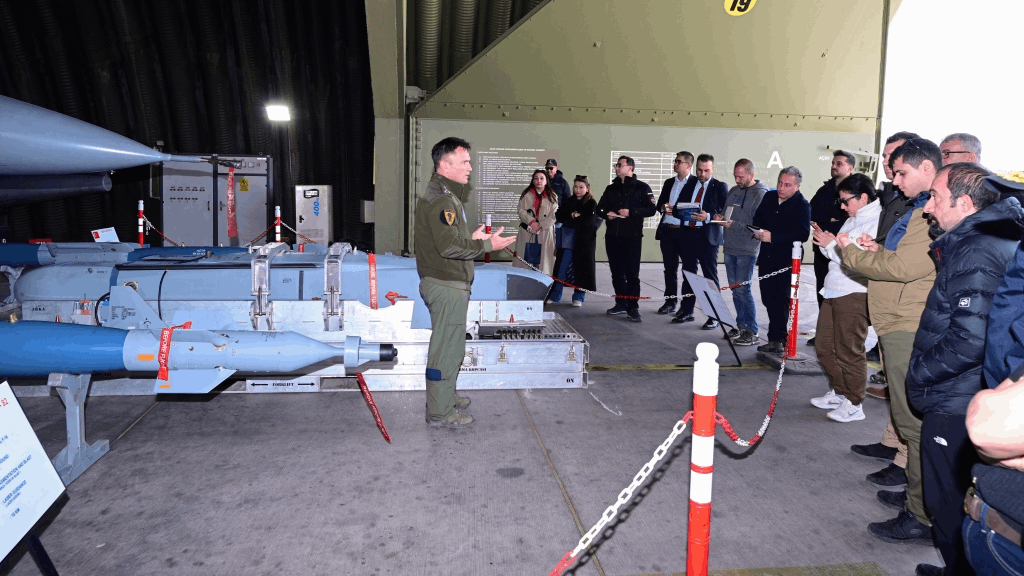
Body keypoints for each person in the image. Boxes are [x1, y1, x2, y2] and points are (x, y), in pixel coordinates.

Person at [904, 163, 1024, 575]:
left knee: (949, 505)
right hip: (962, 392)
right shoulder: (980, 241)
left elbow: (970, 339)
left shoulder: (977, 249)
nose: (927, 207)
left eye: (935, 197)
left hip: (955, 398)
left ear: (966, 204)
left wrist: (918, 372)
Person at [840, 137, 941, 544]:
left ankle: (920, 514)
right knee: (906, 420)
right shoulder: (916, 209)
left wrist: (851, 253)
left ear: (926, 168)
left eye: (900, 171)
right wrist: (876, 248)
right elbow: (898, 256)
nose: (894, 180)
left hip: (906, 321)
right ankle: (917, 501)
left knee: (913, 425)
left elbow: (903, 267)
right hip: (895, 319)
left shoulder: (929, 212)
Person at [415, 137, 515, 428]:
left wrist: (472, 239)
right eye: (465, 162)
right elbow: (448, 247)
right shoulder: (443, 199)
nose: (470, 167)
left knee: (452, 347)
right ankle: (440, 412)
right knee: (446, 350)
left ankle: (445, 396)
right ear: (445, 164)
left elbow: (446, 241)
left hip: (446, 281)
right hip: (446, 284)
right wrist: (487, 246)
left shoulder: (443, 194)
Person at [808, 173, 881, 422]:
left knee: (849, 350)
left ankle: (854, 403)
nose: (842, 206)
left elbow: (858, 261)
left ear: (863, 198)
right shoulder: (854, 217)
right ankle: (840, 392)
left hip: (854, 291)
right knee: (824, 346)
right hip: (835, 288)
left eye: (846, 201)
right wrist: (827, 243)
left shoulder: (875, 221)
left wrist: (831, 245)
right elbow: (840, 252)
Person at [750, 166, 811, 354]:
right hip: (767, 256)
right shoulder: (769, 197)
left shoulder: (802, 205)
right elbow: (758, 218)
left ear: (797, 187)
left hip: (787, 261)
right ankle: (775, 338)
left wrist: (773, 236)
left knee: (781, 300)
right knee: (768, 297)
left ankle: (777, 340)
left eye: (787, 185)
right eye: (780, 183)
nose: (781, 188)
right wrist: (758, 231)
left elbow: (803, 234)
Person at [668, 153, 729, 329]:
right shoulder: (689, 184)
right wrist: (683, 211)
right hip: (688, 234)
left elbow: (724, 212)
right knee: (689, 274)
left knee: (710, 277)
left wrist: (707, 216)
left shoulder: (720, 186)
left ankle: (715, 316)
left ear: (713, 169)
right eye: (700, 170)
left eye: (706, 170)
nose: (702, 174)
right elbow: (677, 209)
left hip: (708, 237)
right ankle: (687, 311)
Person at [596, 155, 657, 322]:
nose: (616, 168)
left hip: (632, 238)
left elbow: (652, 209)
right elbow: (599, 208)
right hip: (612, 237)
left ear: (630, 167)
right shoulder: (611, 188)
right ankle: (621, 303)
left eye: (619, 165)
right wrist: (607, 214)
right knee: (616, 273)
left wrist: (631, 212)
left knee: (632, 275)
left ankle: (633, 307)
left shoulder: (642, 187)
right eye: (616, 165)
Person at [808, 150, 856, 343]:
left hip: (843, 251)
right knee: (822, 289)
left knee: (841, 294)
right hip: (821, 250)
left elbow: (851, 220)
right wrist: (830, 220)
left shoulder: (856, 190)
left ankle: (840, 337)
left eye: (839, 163)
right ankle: (824, 334)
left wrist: (831, 222)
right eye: (833, 163)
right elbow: (812, 213)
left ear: (850, 168)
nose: (834, 166)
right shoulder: (825, 190)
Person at [720, 158, 768, 345]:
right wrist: (720, 217)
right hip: (729, 246)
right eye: (735, 176)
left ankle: (752, 330)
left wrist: (734, 224)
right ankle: (741, 325)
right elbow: (727, 214)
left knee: (743, 290)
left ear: (751, 175)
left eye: (741, 177)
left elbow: (758, 224)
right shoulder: (733, 190)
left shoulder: (761, 194)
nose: (737, 180)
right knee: (735, 289)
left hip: (747, 249)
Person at [653, 151, 696, 316]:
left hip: (686, 232)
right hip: (667, 231)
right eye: (675, 161)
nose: (675, 164)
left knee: (688, 271)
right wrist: (663, 207)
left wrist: (678, 210)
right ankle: (670, 302)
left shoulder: (695, 183)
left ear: (688, 165)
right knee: (669, 269)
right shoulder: (669, 182)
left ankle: (686, 307)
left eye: (679, 161)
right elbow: (659, 204)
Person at [554, 175, 598, 306]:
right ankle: (555, 295)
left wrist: (574, 217)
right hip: (567, 239)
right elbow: (559, 215)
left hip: (584, 242)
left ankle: (578, 297)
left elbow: (588, 222)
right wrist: (573, 215)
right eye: (575, 187)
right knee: (561, 267)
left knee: (581, 269)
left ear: (587, 188)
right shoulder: (569, 201)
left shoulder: (591, 203)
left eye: (581, 187)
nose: (577, 190)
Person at [513, 169, 558, 275]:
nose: (539, 181)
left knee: (544, 261)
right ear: (533, 181)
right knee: (526, 259)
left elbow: (554, 215)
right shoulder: (526, 194)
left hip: (545, 231)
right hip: (528, 230)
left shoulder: (552, 196)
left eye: (542, 178)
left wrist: (540, 225)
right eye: (536, 178)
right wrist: (531, 222)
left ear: (546, 181)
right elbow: (520, 210)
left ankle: (544, 280)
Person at [546, 159, 574, 304]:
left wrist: (562, 219)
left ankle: (556, 294)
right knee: (547, 259)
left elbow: (567, 203)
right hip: (545, 225)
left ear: (556, 168)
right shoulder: (543, 181)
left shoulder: (562, 183)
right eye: (547, 168)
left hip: (558, 225)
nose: (549, 170)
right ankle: (547, 291)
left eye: (551, 168)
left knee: (560, 261)